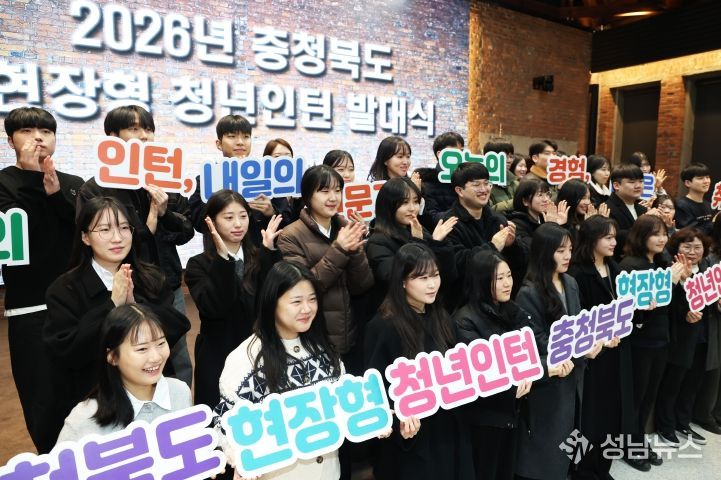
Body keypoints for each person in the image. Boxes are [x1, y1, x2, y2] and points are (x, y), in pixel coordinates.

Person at [44, 196, 190, 433]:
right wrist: (112, 304)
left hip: (153, 400)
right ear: (85, 237)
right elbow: (68, 351)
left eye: (124, 228)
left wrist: (136, 308)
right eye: (104, 229)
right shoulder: (64, 289)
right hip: (100, 406)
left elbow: (176, 328)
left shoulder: (150, 277)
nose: (117, 237)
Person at [0, 106, 84, 452]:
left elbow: (83, 232)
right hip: (29, 310)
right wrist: (36, 182)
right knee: (43, 399)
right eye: (27, 131)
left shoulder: (73, 184)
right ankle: (54, 462)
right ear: (10, 141)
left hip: (78, 305)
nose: (38, 138)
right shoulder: (4, 183)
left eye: (46, 132)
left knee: (87, 392)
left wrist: (56, 194)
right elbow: (18, 234)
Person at [214, 261, 344, 479]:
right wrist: (240, 460)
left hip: (329, 471)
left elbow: (343, 400)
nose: (307, 309)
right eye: (296, 301)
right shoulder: (246, 359)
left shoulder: (322, 348)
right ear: (272, 303)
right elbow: (224, 425)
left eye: (312, 299)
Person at [364, 243, 472, 480]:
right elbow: (373, 389)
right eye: (422, 278)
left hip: (448, 429)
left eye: (435, 275)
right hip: (411, 439)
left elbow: (464, 362)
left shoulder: (441, 317)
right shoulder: (384, 325)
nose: (432, 284)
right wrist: (397, 417)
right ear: (402, 281)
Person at [185, 190, 283, 408]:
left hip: (259, 354)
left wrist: (270, 252)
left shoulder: (260, 256)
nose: (238, 224)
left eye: (243, 216)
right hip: (219, 356)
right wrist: (223, 260)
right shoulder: (198, 264)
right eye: (229, 217)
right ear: (212, 222)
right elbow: (214, 307)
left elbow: (275, 298)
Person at [515, 223, 598, 480]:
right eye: (560, 251)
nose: (567, 256)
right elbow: (536, 340)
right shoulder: (529, 292)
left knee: (574, 427)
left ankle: (573, 472)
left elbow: (579, 323)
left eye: (570, 249)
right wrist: (578, 349)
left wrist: (591, 341)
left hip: (575, 373)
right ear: (544, 252)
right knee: (551, 438)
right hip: (550, 378)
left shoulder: (570, 281)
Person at [277, 165, 374, 371]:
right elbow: (303, 287)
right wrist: (339, 249)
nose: (333, 197)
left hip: (349, 332)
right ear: (308, 196)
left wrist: (355, 252)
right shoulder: (290, 235)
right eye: (324, 191)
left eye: (337, 190)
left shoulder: (346, 228)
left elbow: (362, 285)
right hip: (313, 335)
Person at [56, 304, 192, 443]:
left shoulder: (179, 392)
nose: (156, 357)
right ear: (113, 357)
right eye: (142, 349)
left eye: (161, 343)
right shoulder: (85, 418)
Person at [453, 250, 532, 480]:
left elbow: (530, 349)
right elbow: (477, 374)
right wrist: (512, 389)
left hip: (511, 412)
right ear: (482, 280)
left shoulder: (512, 310)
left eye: (509, 276)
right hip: (484, 418)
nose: (508, 283)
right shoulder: (465, 320)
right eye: (499, 278)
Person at [618, 214, 688, 471]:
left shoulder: (661, 263)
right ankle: (630, 446)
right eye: (655, 234)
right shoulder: (630, 266)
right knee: (636, 396)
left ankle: (639, 440)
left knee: (649, 396)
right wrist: (668, 283)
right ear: (641, 236)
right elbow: (632, 310)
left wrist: (680, 280)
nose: (662, 239)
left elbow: (672, 304)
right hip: (639, 341)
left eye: (664, 233)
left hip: (661, 339)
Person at [568, 215, 634, 480]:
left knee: (609, 414)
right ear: (592, 240)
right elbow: (576, 318)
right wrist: (599, 337)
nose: (613, 242)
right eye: (607, 237)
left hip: (614, 353)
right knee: (585, 417)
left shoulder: (614, 268)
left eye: (614, 237)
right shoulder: (578, 274)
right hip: (590, 356)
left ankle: (601, 467)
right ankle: (580, 470)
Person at [656, 228, 720, 446]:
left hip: (703, 335)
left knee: (692, 383)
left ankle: (683, 422)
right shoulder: (669, 268)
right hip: (680, 335)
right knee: (673, 383)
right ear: (677, 248)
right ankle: (666, 426)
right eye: (687, 246)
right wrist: (685, 310)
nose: (692, 252)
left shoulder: (706, 268)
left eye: (697, 247)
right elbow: (666, 303)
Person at [365, 177, 458, 311]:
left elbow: (449, 274)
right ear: (388, 205)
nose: (412, 208)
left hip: (429, 306)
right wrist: (418, 243)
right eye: (404, 203)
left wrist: (438, 244)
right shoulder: (378, 242)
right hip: (400, 311)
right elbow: (394, 279)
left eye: (415, 202)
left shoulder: (418, 229)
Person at [440, 162, 525, 305]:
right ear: (460, 191)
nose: (484, 189)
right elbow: (457, 266)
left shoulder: (499, 219)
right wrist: (492, 247)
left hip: (500, 301)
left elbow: (519, 263)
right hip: (466, 302)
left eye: (486, 183)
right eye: (476, 185)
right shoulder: (449, 224)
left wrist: (512, 245)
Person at [188, 114, 274, 247]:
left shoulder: (265, 177)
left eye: (246, 136)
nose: (240, 142)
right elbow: (197, 221)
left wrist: (270, 213)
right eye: (232, 136)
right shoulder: (207, 177)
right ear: (219, 144)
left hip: (258, 251)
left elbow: (284, 224)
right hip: (219, 252)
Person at [606, 163, 650, 260]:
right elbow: (616, 238)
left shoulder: (643, 209)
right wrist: (644, 223)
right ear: (616, 185)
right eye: (632, 182)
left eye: (641, 181)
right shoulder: (607, 208)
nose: (638, 186)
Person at [417, 132, 464, 222]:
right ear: (440, 154)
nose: (459, 156)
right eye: (454, 152)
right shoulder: (427, 183)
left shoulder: (465, 180)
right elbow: (431, 217)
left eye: (461, 152)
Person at [264, 138, 304, 226]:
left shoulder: (300, 186)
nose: (283, 161)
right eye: (277, 157)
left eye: (288, 156)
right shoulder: (263, 189)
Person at [675, 162, 713, 236]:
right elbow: (691, 233)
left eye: (707, 177)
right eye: (700, 178)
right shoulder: (681, 205)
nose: (706, 181)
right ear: (688, 183)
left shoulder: (708, 205)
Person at [484, 137, 518, 214]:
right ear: (490, 158)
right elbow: (488, 211)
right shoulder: (484, 182)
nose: (509, 160)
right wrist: (517, 201)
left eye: (511, 156)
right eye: (504, 157)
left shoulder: (515, 182)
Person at [556, 179, 592, 245]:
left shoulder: (585, 218)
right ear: (571, 198)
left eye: (589, 198)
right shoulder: (557, 220)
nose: (588, 202)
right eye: (583, 198)